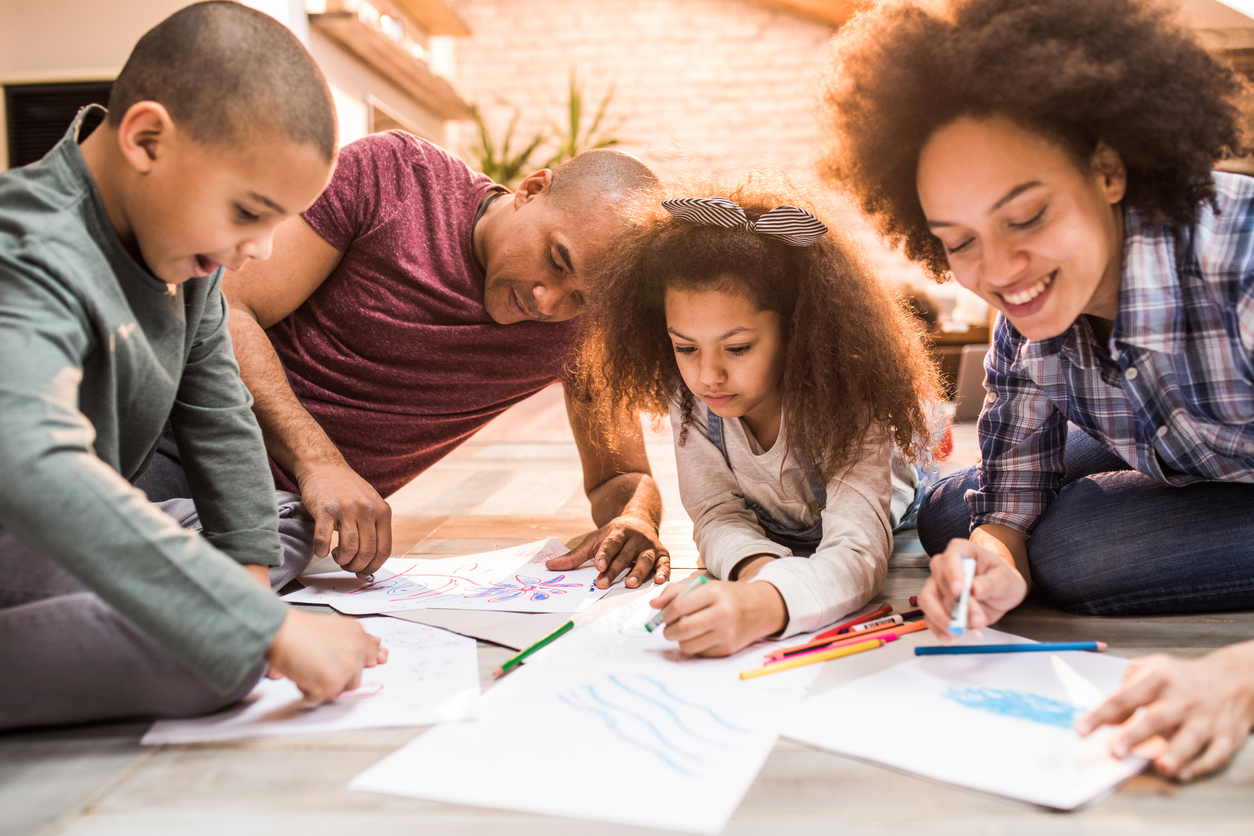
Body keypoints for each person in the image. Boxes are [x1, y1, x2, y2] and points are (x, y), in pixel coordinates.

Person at [823, 0, 1254, 780]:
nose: (998, 271)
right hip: (1200, 442)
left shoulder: (1242, 261)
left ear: (1109, 169)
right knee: (957, 514)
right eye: (958, 242)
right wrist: (995, 556)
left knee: (1078, 548)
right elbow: (1013, 484)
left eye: (1026, 215)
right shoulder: (1023, 320)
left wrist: (1238, 679)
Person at [0, 2, 385, 730]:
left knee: (277, 520)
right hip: (21, 514)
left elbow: (220, 416)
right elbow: (26, 460)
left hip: (58, 527)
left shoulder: (187, 254)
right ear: (147, 139)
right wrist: (258, 626)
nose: (262, 252)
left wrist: (245, 584)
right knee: (220, 654)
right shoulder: (25, 248)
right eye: (249, 213)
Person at [139, 135, 672, 592]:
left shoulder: (584, 333)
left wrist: (635, 518)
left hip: (289, 524)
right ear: (532, 189)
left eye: (581, 298)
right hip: (171, 447)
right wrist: (318, 462)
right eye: (557, 260)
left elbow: (621, 476)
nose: (548, 301)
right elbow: (227, 311)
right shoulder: (393, 175)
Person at [575, 179, 939, 656]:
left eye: (739, 347)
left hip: (895, 521)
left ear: (795, 330)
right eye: (685, 347)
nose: (709, 375)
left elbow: (858, 550)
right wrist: (757, 573)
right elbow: (715, 512)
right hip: (784, 537)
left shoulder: (847, 398)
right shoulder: (689, 396)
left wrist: (764, 605)